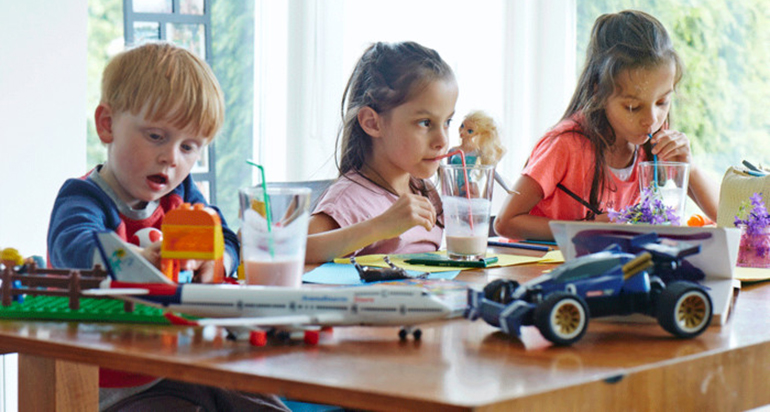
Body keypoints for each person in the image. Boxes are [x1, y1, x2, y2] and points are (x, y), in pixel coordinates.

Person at [47, 42, 288, 412]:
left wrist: (216, 261)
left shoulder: (184, 194)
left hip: (191, 363)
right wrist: (137, 261)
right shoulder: (84, 198)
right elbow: (73, 249)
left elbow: (223, 236)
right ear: (107, 125)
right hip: (120, 385)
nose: (171, 158)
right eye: (156, 136)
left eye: (189, 147)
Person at [494, 10, 719, 241]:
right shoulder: (565, 145)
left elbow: (728, 219)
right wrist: (586, 229)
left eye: (662, 102)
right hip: (537, 271)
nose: (651, 119)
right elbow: (506, 222)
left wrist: (689, 167)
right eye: (632, 107)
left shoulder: (650, 147)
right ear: (598, 91)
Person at [305, 41, 458, 263]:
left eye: (447, 122)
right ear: (373, 123)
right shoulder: (350, 199)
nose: (442, 140)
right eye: (425, 122)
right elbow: (292, 250)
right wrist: (380, 227)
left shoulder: (424, 190)